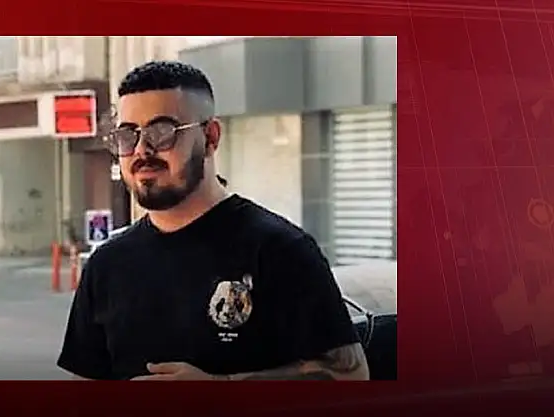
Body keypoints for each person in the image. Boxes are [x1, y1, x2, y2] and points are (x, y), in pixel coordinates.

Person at [57, 60, 369, 381]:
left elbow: (351, 376)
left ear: (210, 137)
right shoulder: (106, 265)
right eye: (127, 135)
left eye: (162, 132)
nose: (142, 150)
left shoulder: (281, 250)